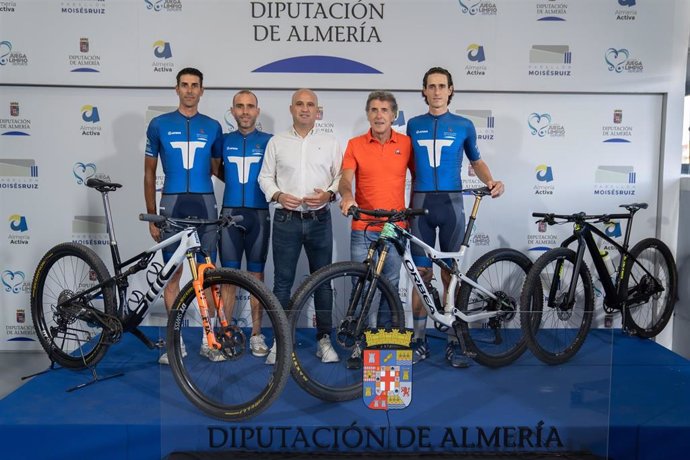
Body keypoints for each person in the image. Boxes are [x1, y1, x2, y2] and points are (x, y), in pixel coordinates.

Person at [407, 67, 504, 368]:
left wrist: (491, 181)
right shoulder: (412, 124)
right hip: (420, 205)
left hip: (451, 205)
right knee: (421, 275)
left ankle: (454, 340)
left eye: (442, 86)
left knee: (451, 274)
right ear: (423, 91)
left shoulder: (463, 125)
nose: (436, 91)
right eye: (431, 86)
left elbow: (476, 160)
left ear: (451, 90)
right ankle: (419, 340)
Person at [144, 67, 224, 364]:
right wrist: (152, 215)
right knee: (172, 275)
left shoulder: (213, 126)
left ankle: (208, 340)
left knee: (208, 274)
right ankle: (175, 342)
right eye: (185, 85)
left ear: (202, 90)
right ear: (176, 89)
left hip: (205, 205)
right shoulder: (159, 124)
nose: (190, 90)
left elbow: (218, 169)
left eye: (195, 86)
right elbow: (149, 173)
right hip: (172, 206)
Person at [258, 88, 342, 365]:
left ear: (318, 111)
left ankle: (324, 340)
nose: (305, 109)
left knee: (323, 282)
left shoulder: (330, 142)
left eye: (310, 105)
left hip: (320, 219)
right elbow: (265, 177)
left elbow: (341, 177)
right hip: (286, 220)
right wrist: (279, 195)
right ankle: (282, 342)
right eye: (299, 104)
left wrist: (329, 194)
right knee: (282, 283)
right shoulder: (277, 142)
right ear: (291, 108)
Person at [338, 91, 412, 368]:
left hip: (394, 229)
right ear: (368, 114)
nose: (379, 115)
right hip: (363, 226)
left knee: (389, 288)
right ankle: (359, 345)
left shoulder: (406, 144)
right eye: (373, 110)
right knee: (363, 285)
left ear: (394, 115)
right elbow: (346, 179)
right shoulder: (355, 144)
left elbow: (421, 178)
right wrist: (347, 196)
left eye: (384, 110)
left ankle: (380, 344)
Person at [214, 90, 272, 358]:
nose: (245, 111)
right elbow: (217, 169)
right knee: (228, 277)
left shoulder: (270, 142)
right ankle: (225, 333)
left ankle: (257, 334)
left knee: (256, 277)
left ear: (257, 111)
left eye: (250, 106)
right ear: (233, 111)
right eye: (240, 106)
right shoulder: (223, 141)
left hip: (259, 214)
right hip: (230, 215)